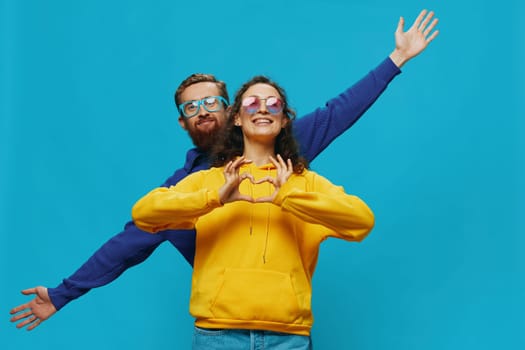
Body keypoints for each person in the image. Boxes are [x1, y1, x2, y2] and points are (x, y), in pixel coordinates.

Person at [10, 9, 439, 331]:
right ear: (182, 122)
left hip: (283, 323)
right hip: (220, 327)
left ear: (230, 110)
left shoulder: (286, 154)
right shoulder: (188, 187)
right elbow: (129, 242)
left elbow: (338, 112)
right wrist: (65, 294)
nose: (202, 112)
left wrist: (396, 59)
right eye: (190, 108)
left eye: (211, 102)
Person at [132, 75, 376, 349]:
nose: (262, 109)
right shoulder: (213, 180)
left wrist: (290, 197)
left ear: (284, 120)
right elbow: (144, 213)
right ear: (236, 117)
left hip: (288, 339)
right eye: (252, 102)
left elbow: (362, 221)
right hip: (217, 336)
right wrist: (214, 198)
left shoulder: (303, 182)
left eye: (273, 104)